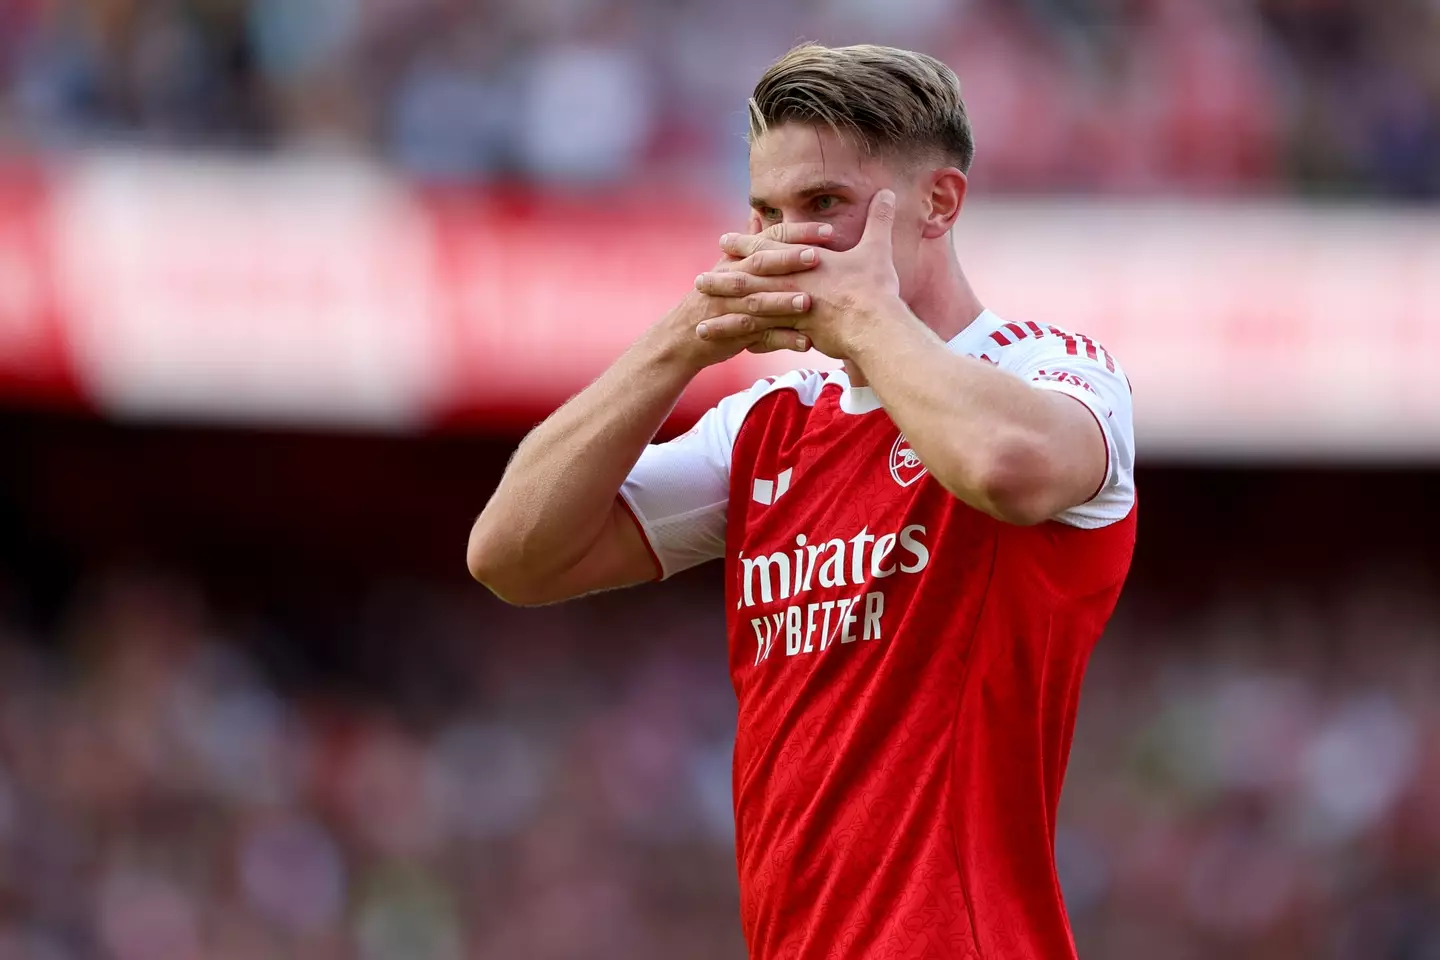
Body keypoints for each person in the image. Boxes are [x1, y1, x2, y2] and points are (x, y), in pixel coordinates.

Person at [468, 42, 1136, 960]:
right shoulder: (767, 424)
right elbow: (511, 556)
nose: (788, 243)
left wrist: (866, 317)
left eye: (825, 205)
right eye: (766, 213)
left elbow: (1005, 469)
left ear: (939, 204)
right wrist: (685, 338)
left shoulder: (1050, 372)